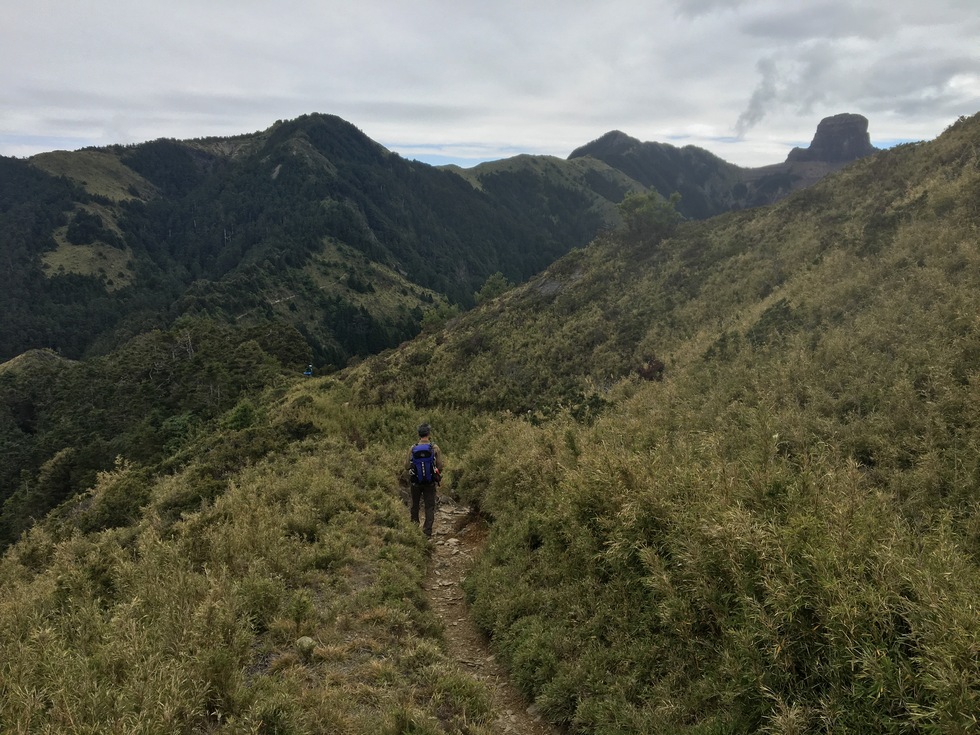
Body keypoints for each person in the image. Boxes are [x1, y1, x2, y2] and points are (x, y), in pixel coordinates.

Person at [405, 423, 443, 537]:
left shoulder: (413, 448)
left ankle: (414, 528)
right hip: (430, 482)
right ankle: (427, 532)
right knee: (429, 506)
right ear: (429, 434)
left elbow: (406, 465)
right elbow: (440, 466)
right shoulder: (434, 448)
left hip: (415, 482)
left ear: (419, 434)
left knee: (415, 505)